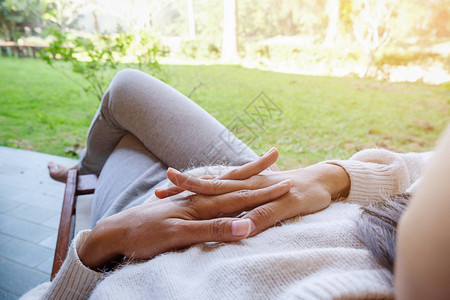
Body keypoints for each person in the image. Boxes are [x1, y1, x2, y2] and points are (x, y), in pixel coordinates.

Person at [22, 69, 450, 299]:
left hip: (143, 223)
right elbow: (418, 165)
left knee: (129, 134)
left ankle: (87, 169)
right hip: (272, 187)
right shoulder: (420, 253)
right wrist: (335, 175)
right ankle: (87, 166)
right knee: (127, 88)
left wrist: (102, 241)